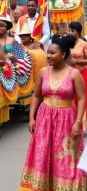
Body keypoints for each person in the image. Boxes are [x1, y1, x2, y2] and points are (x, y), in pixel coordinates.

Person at [20, 34, 86, 190]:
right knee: (43, 153)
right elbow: (36, 96)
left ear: (63, 54)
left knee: (65, 156)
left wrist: (78, 122)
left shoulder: (74, 74)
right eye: (47, 52)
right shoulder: (43, 72)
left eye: (52, 53)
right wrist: (32, 118)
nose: (48, 56)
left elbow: (82, 99)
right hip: (45, 118)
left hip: (67, 119)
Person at [68, 21, 87, 130]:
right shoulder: (66, 43)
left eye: (73, 31)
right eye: (69, 30)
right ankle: (71, 123)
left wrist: (78, 61)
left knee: (81, 98)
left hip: (81, 74)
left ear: (78, 33)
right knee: (71, 99)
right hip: (69, 75)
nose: (70, 33)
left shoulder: (84, 44)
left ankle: (82, 124)